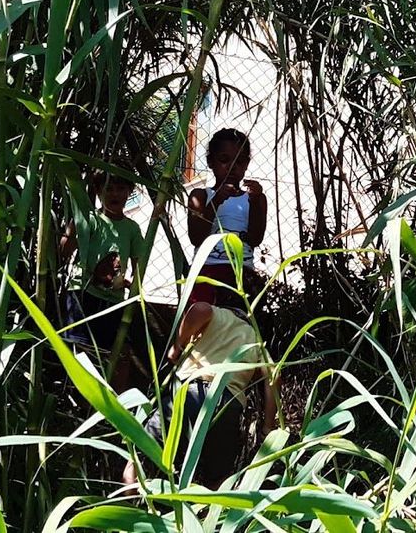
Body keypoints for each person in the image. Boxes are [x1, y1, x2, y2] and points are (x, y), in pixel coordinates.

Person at [122, 293, 278, 487]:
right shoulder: (256, 341)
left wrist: (177, 346)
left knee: (138, 457)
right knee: (218, 479)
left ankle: (127, 499)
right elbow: (274, 376)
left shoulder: (220, 314)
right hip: (227, 405)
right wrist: (268, 426)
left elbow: (200, 308)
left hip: (191, 392)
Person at [58, 171, 145, 388]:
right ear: (97, 192)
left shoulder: (132, 229)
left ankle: (115, 400)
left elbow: (139, 266)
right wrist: (74, 227)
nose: (115, 194)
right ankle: (80, 398)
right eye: (108, 189)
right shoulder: (90, 220)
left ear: (130, 192)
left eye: (121, 189)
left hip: (113, 301)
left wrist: (133, 288)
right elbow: (64, 251)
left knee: (118, 353)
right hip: (83, 294)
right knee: (81, 351)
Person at [186, 128, 268, 304]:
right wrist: (216, 201)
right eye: (224, 160)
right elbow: (196, 237)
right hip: (206, 269)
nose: (232, 167)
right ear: (210, 161)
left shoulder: (255, 198)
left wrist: (255, 202)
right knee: (203, 316)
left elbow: (255, 239)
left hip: (241, 272)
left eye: (239, 161)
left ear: (246, 164)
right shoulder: (201, 196)